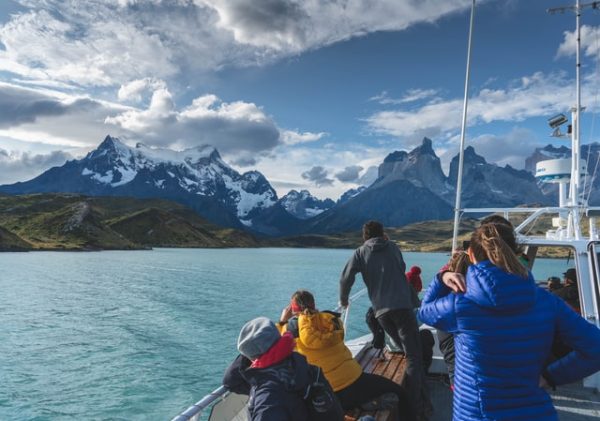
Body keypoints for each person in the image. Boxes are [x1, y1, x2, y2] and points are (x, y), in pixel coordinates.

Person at [419, 223, 600, 421]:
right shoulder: (548, 301)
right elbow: (595, 349)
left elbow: (425, 311)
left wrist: (442, 277)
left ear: (470, 254)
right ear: (515, 252)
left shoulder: (459, 305)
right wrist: (551, 376)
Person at [339, 220, 429, 420]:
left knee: (407, 352)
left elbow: (345, 278)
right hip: (403, 308)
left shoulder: (360, 253)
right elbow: (401, 266)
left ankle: (416, 398)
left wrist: (344, 299)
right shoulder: (394, 247)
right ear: (383, 234)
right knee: (414, 357)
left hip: (381, 313)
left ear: (365, 236)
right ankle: (416, 408)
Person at [279, 290, 415, 420]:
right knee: (399, 392)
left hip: (329, 394)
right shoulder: (331, 320)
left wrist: (283, 320)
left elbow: (276, 346)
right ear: (314, 304)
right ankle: (364, 402)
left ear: (293, 310)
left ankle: (360, 403)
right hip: (354, 381)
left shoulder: (289, 330)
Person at [222, 317, 344, 421]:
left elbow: (230, 381)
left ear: (252, 358)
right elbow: (230, 381)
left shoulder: (268, 396)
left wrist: (249, 352)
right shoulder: (302, 365)